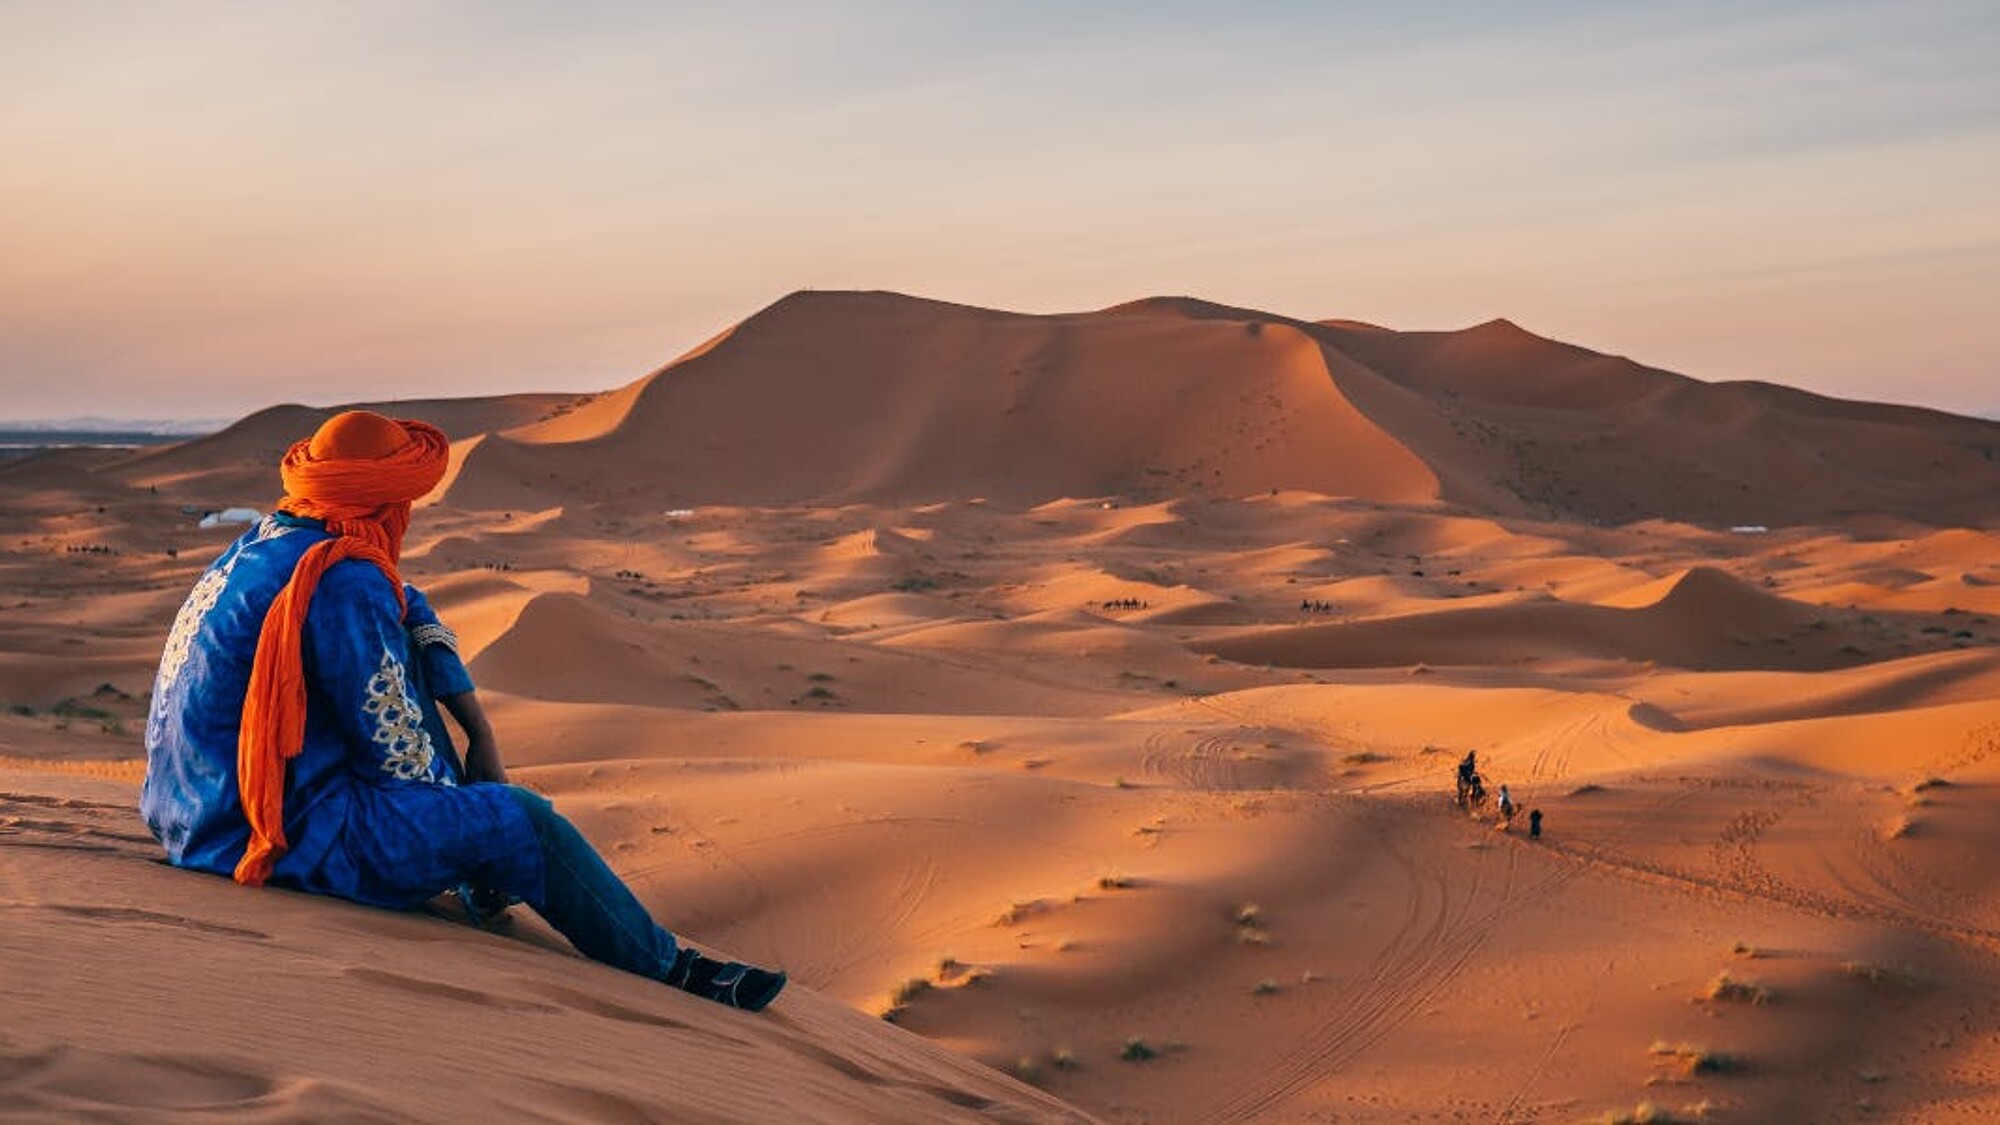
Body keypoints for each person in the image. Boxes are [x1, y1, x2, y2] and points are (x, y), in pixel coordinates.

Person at [141, 410, 785, 1011]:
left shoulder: (266, 547)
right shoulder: (345, 580)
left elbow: (404, 602)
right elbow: (397, 753)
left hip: (190, 812)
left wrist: (474, 723)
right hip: (274, 836)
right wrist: (475, 805)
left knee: (416, 656)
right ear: (387, 504)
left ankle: (482, 865)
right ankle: (673, 968)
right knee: (524, 821)